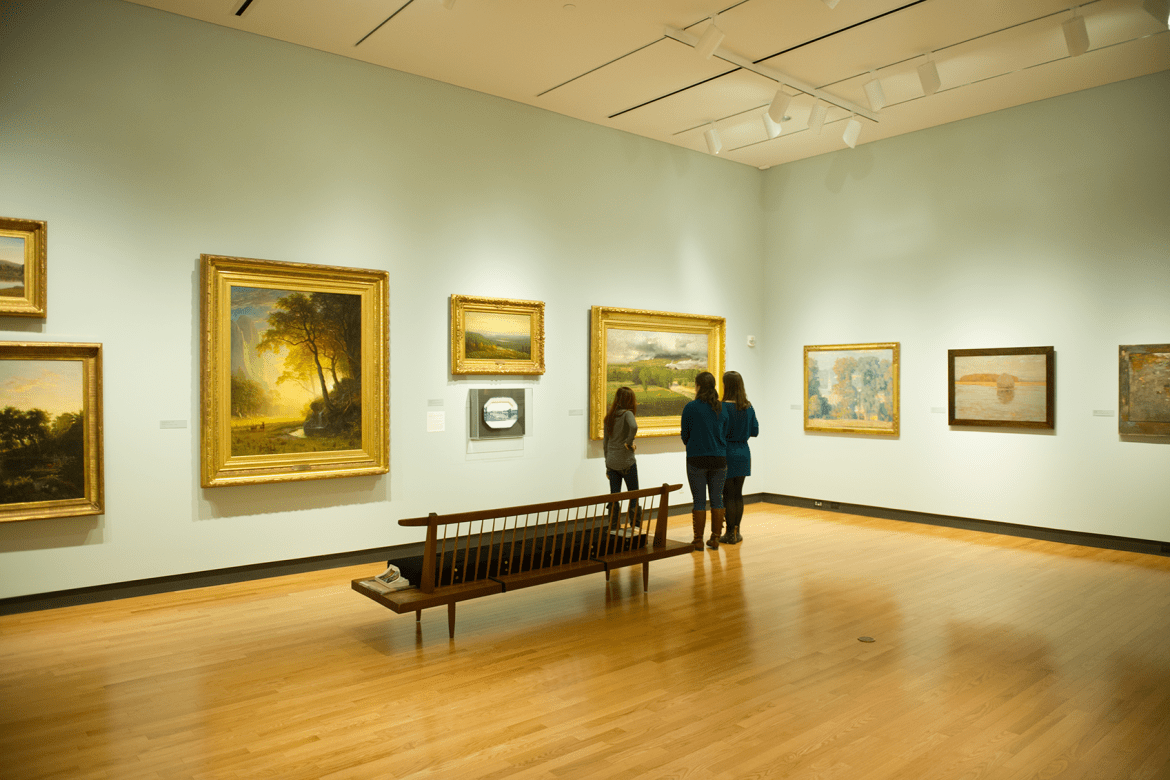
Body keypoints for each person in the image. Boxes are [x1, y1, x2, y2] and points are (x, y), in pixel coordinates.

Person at [680, 371, 730, 550]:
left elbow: (685, 435)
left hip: (696, 459)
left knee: (699, 500)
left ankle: (698, 540)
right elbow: (725, 433)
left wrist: (694, 444)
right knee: (717, 499)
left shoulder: (690, 407)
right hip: (719, 459)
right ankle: (715, 538)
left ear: (698, 386)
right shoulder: (721, 408)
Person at [719, 371, 759, 545]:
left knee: (727, 494)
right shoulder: (748, 406)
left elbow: (718, 431)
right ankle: (737, 531)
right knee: (738, 494)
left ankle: (728, 533)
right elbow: (755, 431)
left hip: (726, 452)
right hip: (743, 451)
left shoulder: (722, 407)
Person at [602, 386, 639, 527]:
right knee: (634, 495)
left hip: (611, 462)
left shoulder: (609, 417)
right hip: (626, 461)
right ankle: (635, 526)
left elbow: (605, 444)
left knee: (614, 496)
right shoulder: (627, 414)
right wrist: (629, 442)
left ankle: (613, 525)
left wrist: (607, 464)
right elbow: (634, 427)